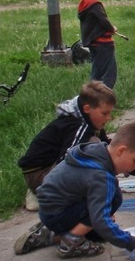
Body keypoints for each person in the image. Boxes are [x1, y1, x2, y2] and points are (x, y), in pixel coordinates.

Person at [23, 122, 135, 259]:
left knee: (100, 234)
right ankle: (70, 241)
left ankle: (53, 233)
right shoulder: (101, 178)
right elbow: (100, 220)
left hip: (53, 207)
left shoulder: (97, 150)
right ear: (121, 150)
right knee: (111, 202)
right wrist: (131, 242)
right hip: (56, 212)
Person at [16, 81, 115, 217]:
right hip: (38, 173)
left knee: (97, 149)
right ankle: (45, 194)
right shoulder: (77, 126)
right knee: (93, 148)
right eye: (105, 113)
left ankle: (44, 191)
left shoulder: (88, 120)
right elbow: (68, 161)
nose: (109, 118)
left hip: (47, 168)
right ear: (87, 109)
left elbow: (110, 149)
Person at [78, 0, 118, 89]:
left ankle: (90, 96)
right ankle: (104, 99)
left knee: (97, 72)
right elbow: (103, 21)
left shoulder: (83, 3)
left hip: (93, 43)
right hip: (103, 44)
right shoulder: (95, 4)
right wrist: (112, 29)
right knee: (109, 74)